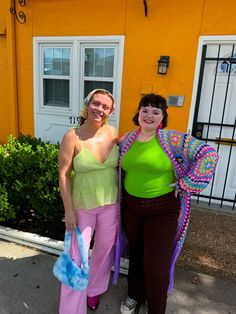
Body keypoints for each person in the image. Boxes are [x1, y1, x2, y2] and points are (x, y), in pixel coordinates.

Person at [116, 93, 218, 314]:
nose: (149, 115)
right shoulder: (127, 139)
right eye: (145, 110)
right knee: (136, 255)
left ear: (162, 116)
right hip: (132, 209)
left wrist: (187, 182)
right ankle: (135, 295)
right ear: (138, 113)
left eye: (155, 111)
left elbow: (208, 154)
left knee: (156, 266)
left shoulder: (171, 139)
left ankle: (156, 309)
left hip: (161, 211)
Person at [58, 89, 119, 314]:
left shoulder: (113, 133)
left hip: (111, 206)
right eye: (96, 104)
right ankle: (71, 309)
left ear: (110, 111)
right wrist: (69, 211)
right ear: (87, 104)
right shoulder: (72, 136)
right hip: (82, 207)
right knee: (76, 258)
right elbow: (63, 174)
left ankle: (94, 289)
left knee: (104, 252)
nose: (100, 109)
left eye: (105, 106)